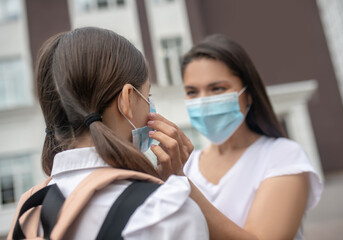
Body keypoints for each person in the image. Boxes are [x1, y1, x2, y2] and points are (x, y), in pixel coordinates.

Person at [8, 27, 208, 240]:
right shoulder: (167, 212)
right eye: (147, 94)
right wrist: (177, 185)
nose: (150, 105)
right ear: (127, 98)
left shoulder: (28, 211)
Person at [180, 34, 323, 240]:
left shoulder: (283, 156)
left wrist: (183, 185)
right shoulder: (187, 164)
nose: (203, 101)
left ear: (248, 94)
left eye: (217, 88)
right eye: (192, 92)